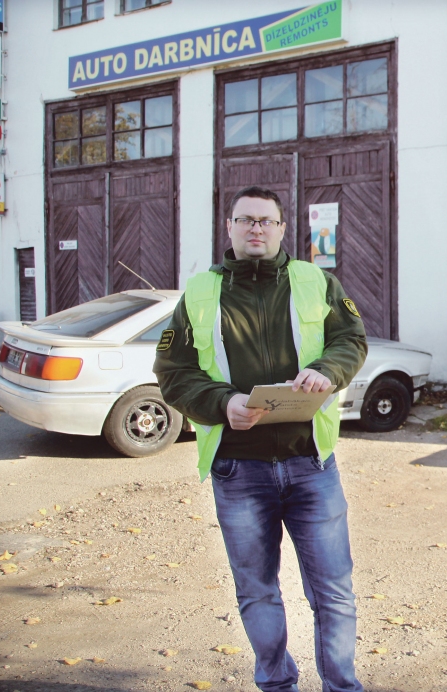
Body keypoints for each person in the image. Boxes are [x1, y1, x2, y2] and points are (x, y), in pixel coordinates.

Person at [154, 186, 367, 692]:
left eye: (266, 221)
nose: (256, 229)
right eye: (245, 220)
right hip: (238, 468)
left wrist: (326, 370)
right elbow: (173, 371)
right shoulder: (201, 293)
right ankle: (277, 686)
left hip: (309, 464)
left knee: (334, 592)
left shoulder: (317, 281)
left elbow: (350, 339)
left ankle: (342, 687)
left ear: (281, 228)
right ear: (229, 227)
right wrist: (222, 403)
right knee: (257, 592)